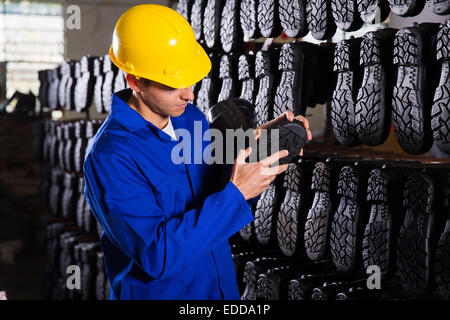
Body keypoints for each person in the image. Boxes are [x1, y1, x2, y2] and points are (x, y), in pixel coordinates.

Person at [83, 4, 312, 300]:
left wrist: (258, 146)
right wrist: (237, 194)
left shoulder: (189, 118)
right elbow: (156, 255)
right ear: (134, 81)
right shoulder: (111, 157)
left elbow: (213, 184)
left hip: (218, 289)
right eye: (173, 85)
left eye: (190, 79)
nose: (190, 94)